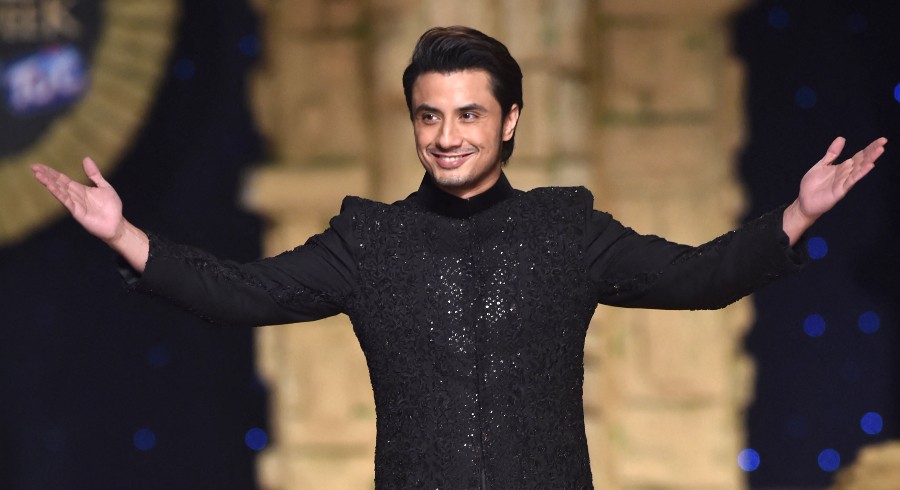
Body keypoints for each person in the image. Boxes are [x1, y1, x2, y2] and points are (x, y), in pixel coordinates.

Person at [32, 26, 886, 489]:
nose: (447, 136)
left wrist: (798, 214)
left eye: (469, 114)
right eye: (429, 116)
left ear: (509, 121)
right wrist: (123, 233)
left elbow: (700, 278)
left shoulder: (564, 230)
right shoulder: (370, 240)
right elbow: (241, 293)